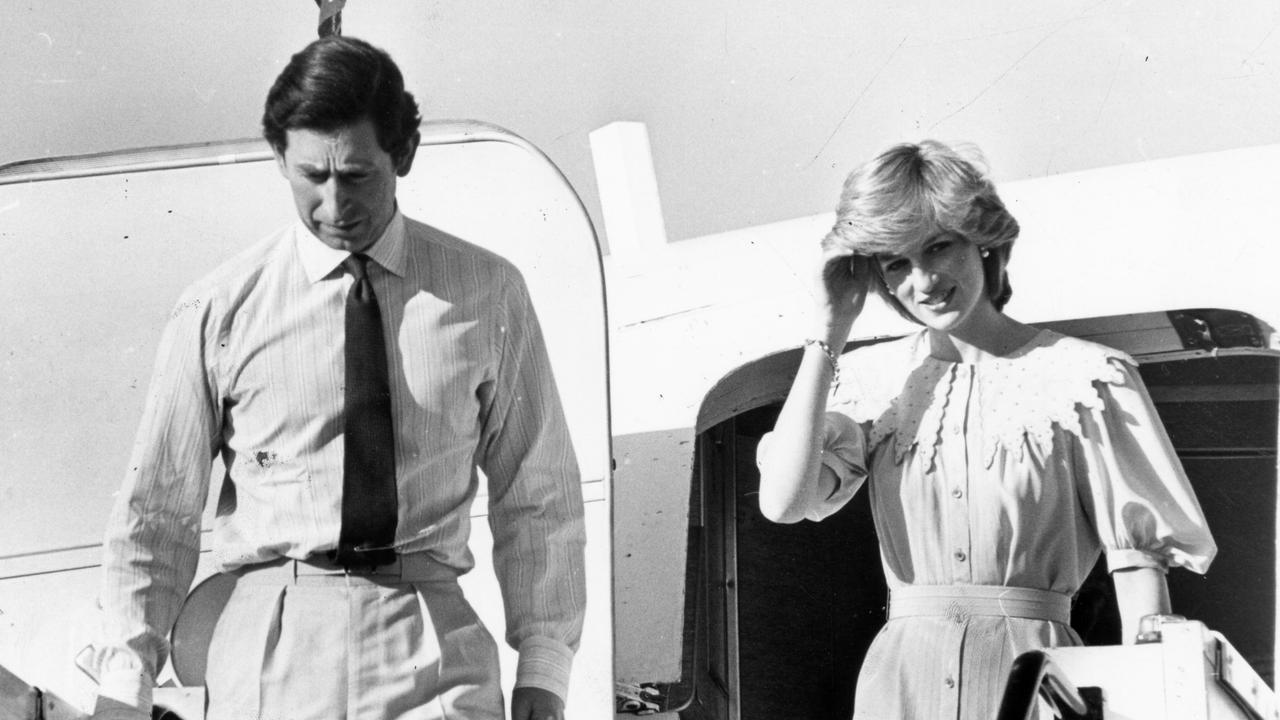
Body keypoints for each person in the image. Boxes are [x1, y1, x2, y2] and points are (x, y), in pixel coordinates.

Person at [79, 36, 585, 720]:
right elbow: (156, 510)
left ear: (402, 156)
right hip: (269, 643)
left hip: (433, 639)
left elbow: (540, 493)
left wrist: (545, 671)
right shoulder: (219, 307)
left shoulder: (488, 293)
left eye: (356, 176)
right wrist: (125, 685)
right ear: (280, 159)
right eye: (310, 175)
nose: (333, 203)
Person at [756, 139, 1216, 719]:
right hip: (902, 687)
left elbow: (1139, 565)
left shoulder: (1084, 376)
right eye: (896, 262)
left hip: (1037, 683)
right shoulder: (874, 381)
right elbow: (783, 501)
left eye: (938, 247)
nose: (922, 281)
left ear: (984, 239)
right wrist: (830, 328)